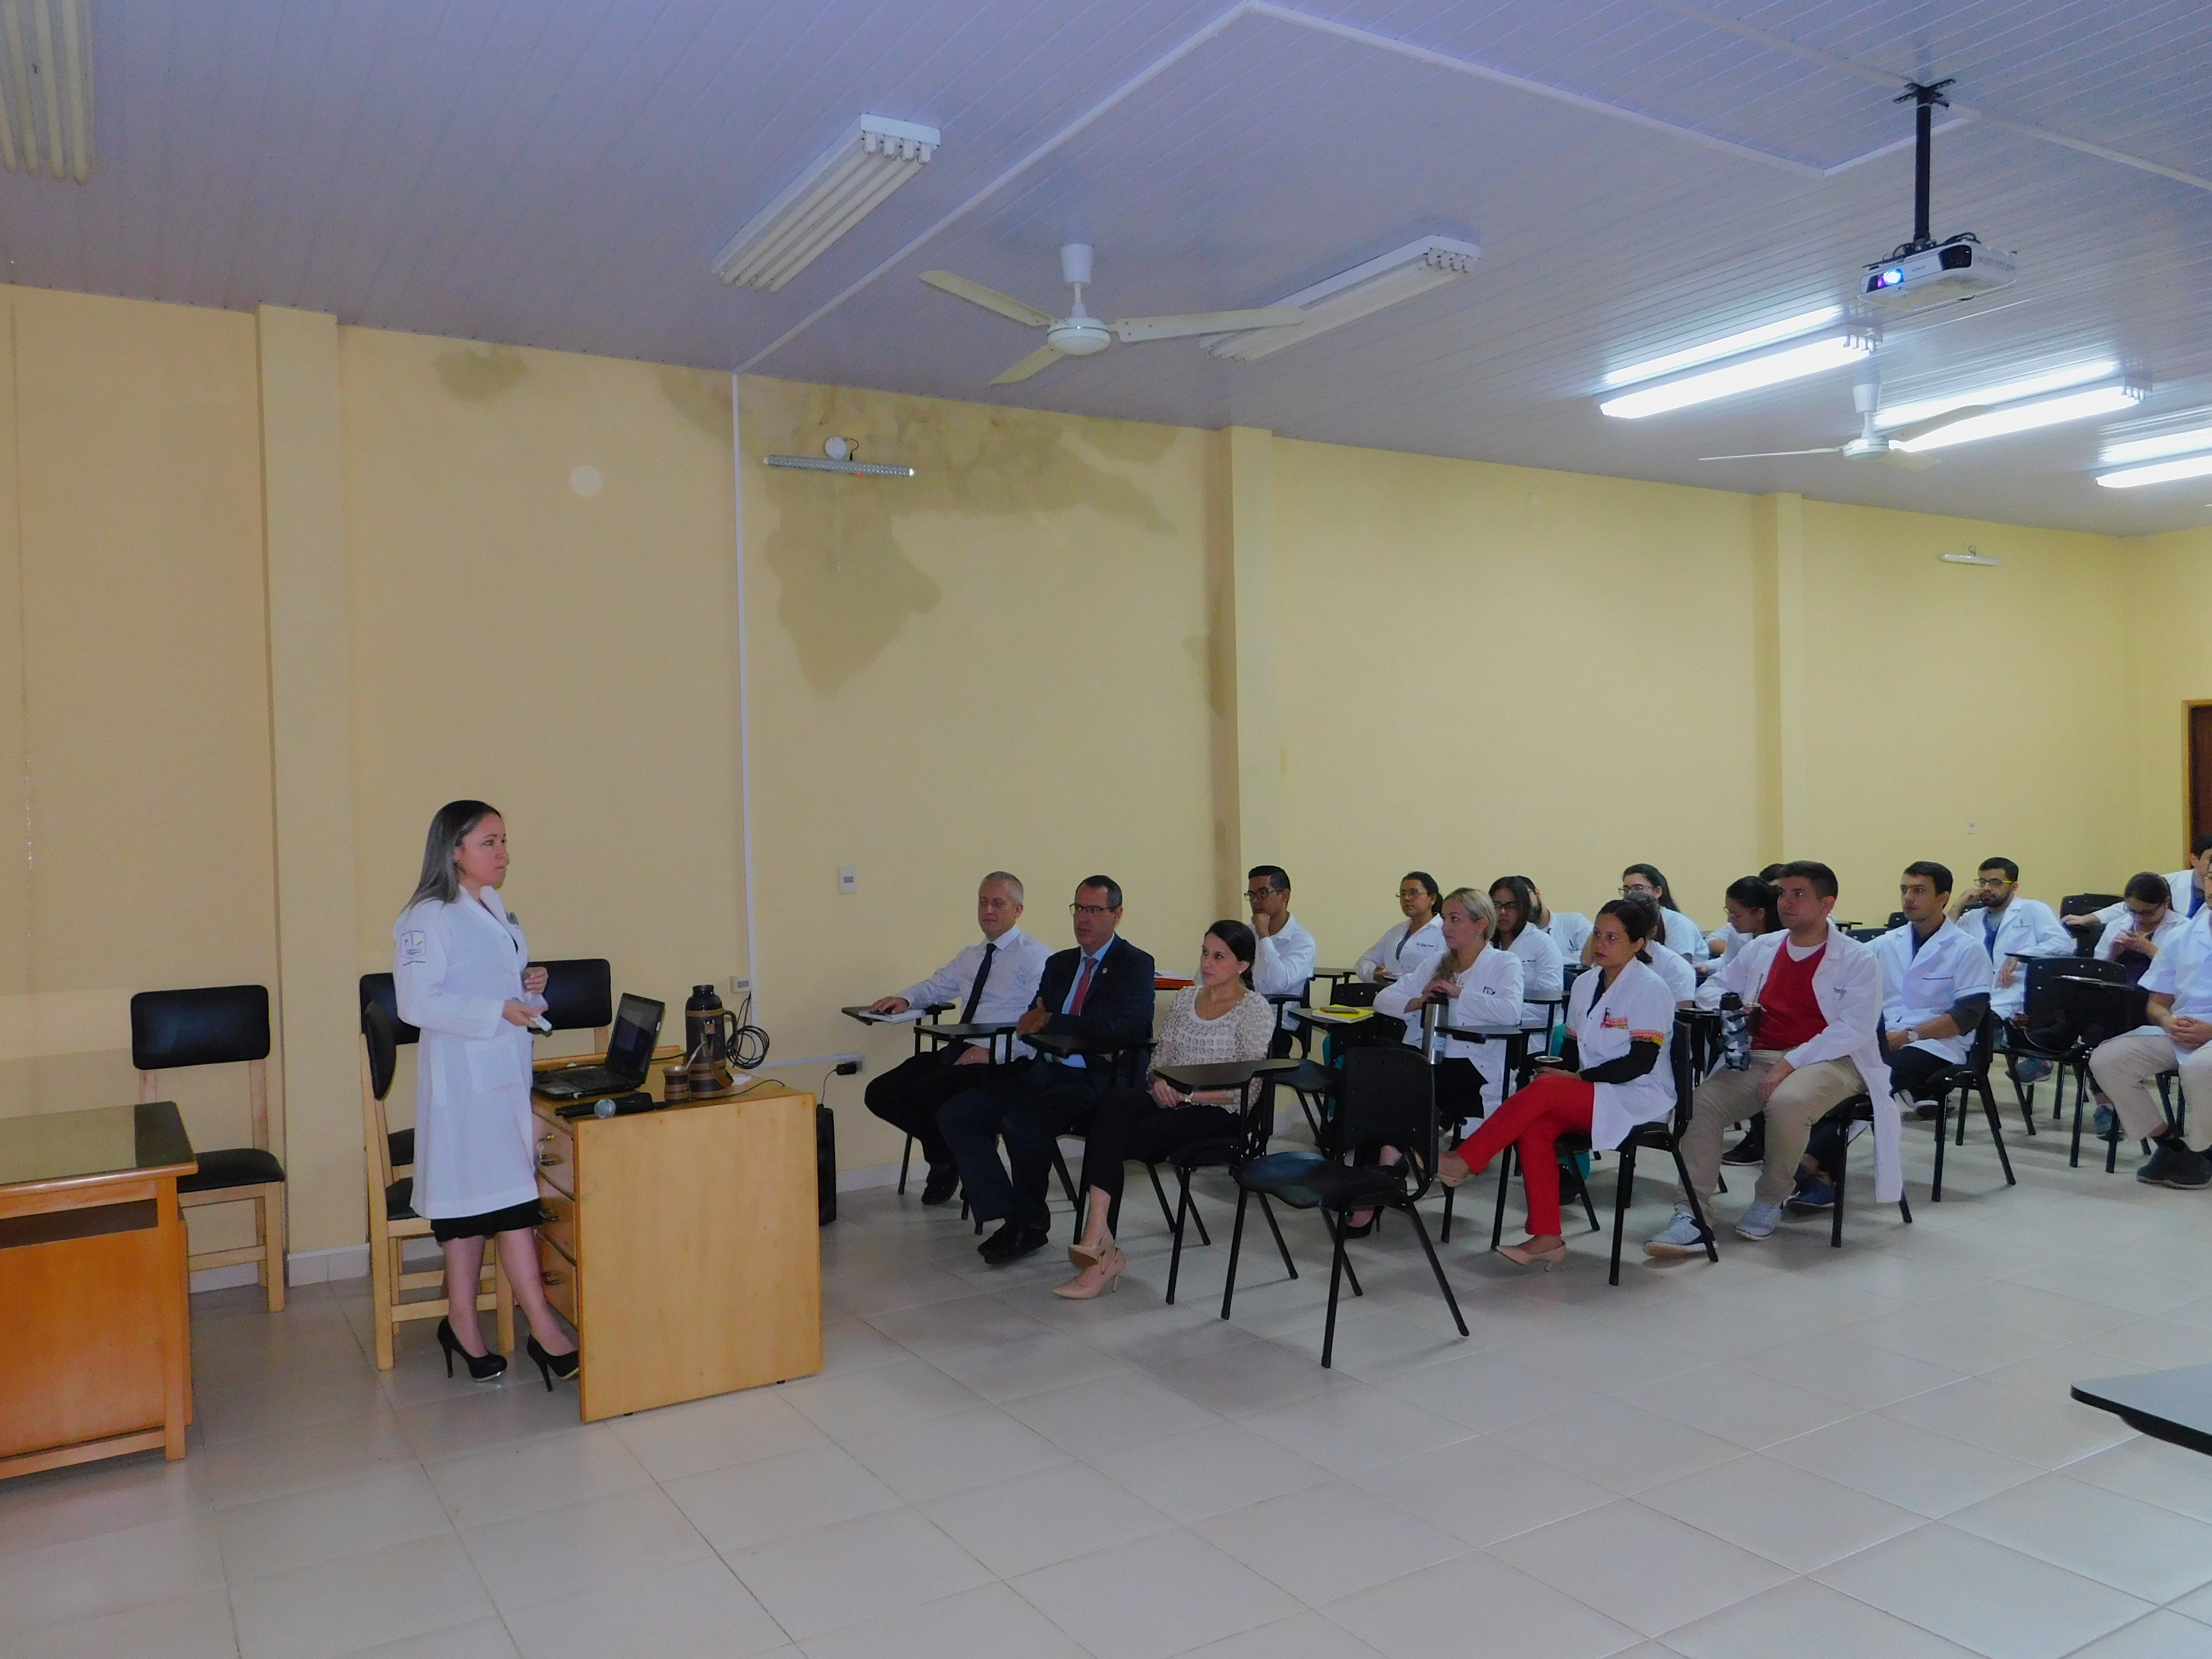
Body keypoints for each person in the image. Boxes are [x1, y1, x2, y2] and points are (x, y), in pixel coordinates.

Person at [392, 800, 579, 1387]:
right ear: (454, 850)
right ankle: (544, 1331)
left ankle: (462, 1324)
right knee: (505, 1204)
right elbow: (417, 1005)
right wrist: (497, 1006)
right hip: (464, 1085)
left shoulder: (490, 905)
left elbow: (488, 985)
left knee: (477, 1206)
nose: (503, 854)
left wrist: (527, 986)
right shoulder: (427, 918)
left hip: (499, 1074)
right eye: (489, 843)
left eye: (504, 841)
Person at [1647, 861, 1893, 1253]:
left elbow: (1854, 1030)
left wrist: (1788, 1065)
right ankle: (1692, 1214)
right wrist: (1737, 1004)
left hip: (1835, 1061)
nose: (1787, 903)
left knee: (1788, 1103)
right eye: (1783, 894)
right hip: (1762, 1055)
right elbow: (1713, 990)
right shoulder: (1762, 948)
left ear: (1827, 904)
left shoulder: (1857, 959)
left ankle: (1771, 1196)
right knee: (1701, 1105)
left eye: (1799, 894)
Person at [1438, 899, 1675, 1266]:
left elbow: (1640, 1062)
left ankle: (1466, 1160)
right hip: (1594, 1090)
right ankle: (1548, 1236)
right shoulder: (1584, 983)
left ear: (1638, 944)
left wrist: (1574, 1078)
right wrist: (1557, 1070)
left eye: (1613, 937)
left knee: (1548, 1092)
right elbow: (1570, 1047)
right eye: (1598, 933)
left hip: (1638, 1096)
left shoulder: (1650, 988)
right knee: (1535, 1126)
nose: (1600, 943)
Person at [939, 876, 1156, 1264]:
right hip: (1047, 1070)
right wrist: (1051, 1020)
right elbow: (1029, 1021)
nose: (1083, 919)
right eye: (1078, 909)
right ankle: (1011, 1213)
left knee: (1023, 1123)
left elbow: (1117, 1029)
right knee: (959, 1111)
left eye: (1095, 910)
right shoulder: (1060, 963)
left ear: (1117, 915)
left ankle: (1029, 1225)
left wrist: (1053, 1018)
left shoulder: (1135, 964)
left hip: (1098, 1082)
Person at [1057, 920, 1276, 1298]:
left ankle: (1101, 1251)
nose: (1208, 963)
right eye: (1205, 953)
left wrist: (1189, 1097)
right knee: (1113, 1103)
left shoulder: (1254, 1010)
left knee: (1114, 1136)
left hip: (1217, 1114)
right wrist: (1159, 1082)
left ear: (1242, 965)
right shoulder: (1185, 999)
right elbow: (1158, 1061)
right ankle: (1099, 1234)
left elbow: (1249, 1091)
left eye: (1219, 957)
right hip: (1170, 1099)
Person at [862, 872, 1051, 1203]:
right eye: (982, 902)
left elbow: (1042, 1021)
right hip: (962, 1049)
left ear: (1018, 910)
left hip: (1006, 1060)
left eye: (998, 903)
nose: (988, 910)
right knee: (881, 1092)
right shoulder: (973, 955)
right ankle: (944, 1157)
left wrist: (993, 1054)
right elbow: (936, 987)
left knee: (927, 1092)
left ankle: (950, 1161)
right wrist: (905, 999)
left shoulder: (1035, 958)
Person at [1375, 888, 1526, 1132]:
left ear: (1481, 924)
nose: (1445, 928)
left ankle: (1395, 1156)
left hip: (1475, 1063)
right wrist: (1418, 1001)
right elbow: (1382, 1000)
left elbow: (1510, 1013)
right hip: (1431, 1057)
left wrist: (1458, 993)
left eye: (1455, 920)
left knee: (1409, 1081)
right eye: (1444, 919)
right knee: (1377, 1063)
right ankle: (1384, 1156)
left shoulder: (1505, 963)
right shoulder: (1435, 962)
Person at [2087, 897, 2212, 1190]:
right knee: (2106, 1060)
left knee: (2199, 1068)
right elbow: (2157, 1003)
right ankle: (2170, 1144)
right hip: (2180, 1028)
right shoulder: (2184, 936)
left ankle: (2203, 1151)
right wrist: (2167, 1021)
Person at [1871, 861, 1996, 1122]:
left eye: (1919, 890)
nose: (1908, 898)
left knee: (1873, 1082)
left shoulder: (1967, 948)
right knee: (1836, 1078)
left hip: (1937, 1044)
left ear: (1943, 899)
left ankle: (1816, 1158)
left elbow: (1966, 1017)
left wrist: (1908, 1036)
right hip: (1886, 1038)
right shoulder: (1885, 944)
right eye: (1904, 890)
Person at [1951, 857, 2072, 1021]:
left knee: (1983, 1018)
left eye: (1995, 883)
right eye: (1983, 882)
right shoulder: (1971, 917)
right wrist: (1958, 904)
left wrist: (2019, 955)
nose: (1987, 888)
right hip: (1974, 987)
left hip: (2015, 989)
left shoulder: (2033, 909)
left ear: (2014, 886)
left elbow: (2063, 944)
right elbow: (1941, 940)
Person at [2067, 837, 2212, 941]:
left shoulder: (2182, 925)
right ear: (2194, 859)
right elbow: (2131, 905)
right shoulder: (2166, 882)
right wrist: (2087, 919)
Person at [1246, 865, 1317, 1052]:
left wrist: (1264, 936)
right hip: (1242, 1015)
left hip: (1276, 1021)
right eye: (1251, 895)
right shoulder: (1247, 933)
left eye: (1263, 893)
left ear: (1284, 896)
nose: (1256, 901)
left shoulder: (1302, 941)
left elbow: (1277, 984)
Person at [1489, 876, 1565, 1028]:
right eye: (1497, 906)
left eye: (1511, 906)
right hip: (1488, 1027)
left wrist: (1500, 1013)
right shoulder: (1485, 944)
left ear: (1524, 908)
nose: (1503, 912)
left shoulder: (1543, 944)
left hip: (1533, 1034)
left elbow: (1546, 1007)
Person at [1597, 864, 1705, 963]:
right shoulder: (1628, 922)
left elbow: (1680, 966)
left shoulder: (1679, 924)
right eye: (1626, 890)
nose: (1629, 894)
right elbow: (1587, 961)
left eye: (1637, 888)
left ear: (1658, 892)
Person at [1355, 871, 1445, 983]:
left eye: (1414, 893)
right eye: (1403, 894)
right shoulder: (1397, 931)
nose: (1407, 898)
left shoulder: (1444, 932)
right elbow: (1364, 962)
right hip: (1389, 995)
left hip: (1423, 997)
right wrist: (1373, 973)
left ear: (1432, 899)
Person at [1706, 875, 1781, 967]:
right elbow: (1729, 963)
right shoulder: (1737, 934)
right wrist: (1707, 967)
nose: (1729, 920)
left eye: (1736, 915)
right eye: (1728, 912)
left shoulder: (1781, 941)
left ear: (1760, 913)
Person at [1528, 880, 1591, 965]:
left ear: (1537, 894)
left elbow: (1590, 957)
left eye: (1526, 897)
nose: (1525, 905)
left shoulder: (1574, 922)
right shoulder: (1520, 937)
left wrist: (1548, 962)